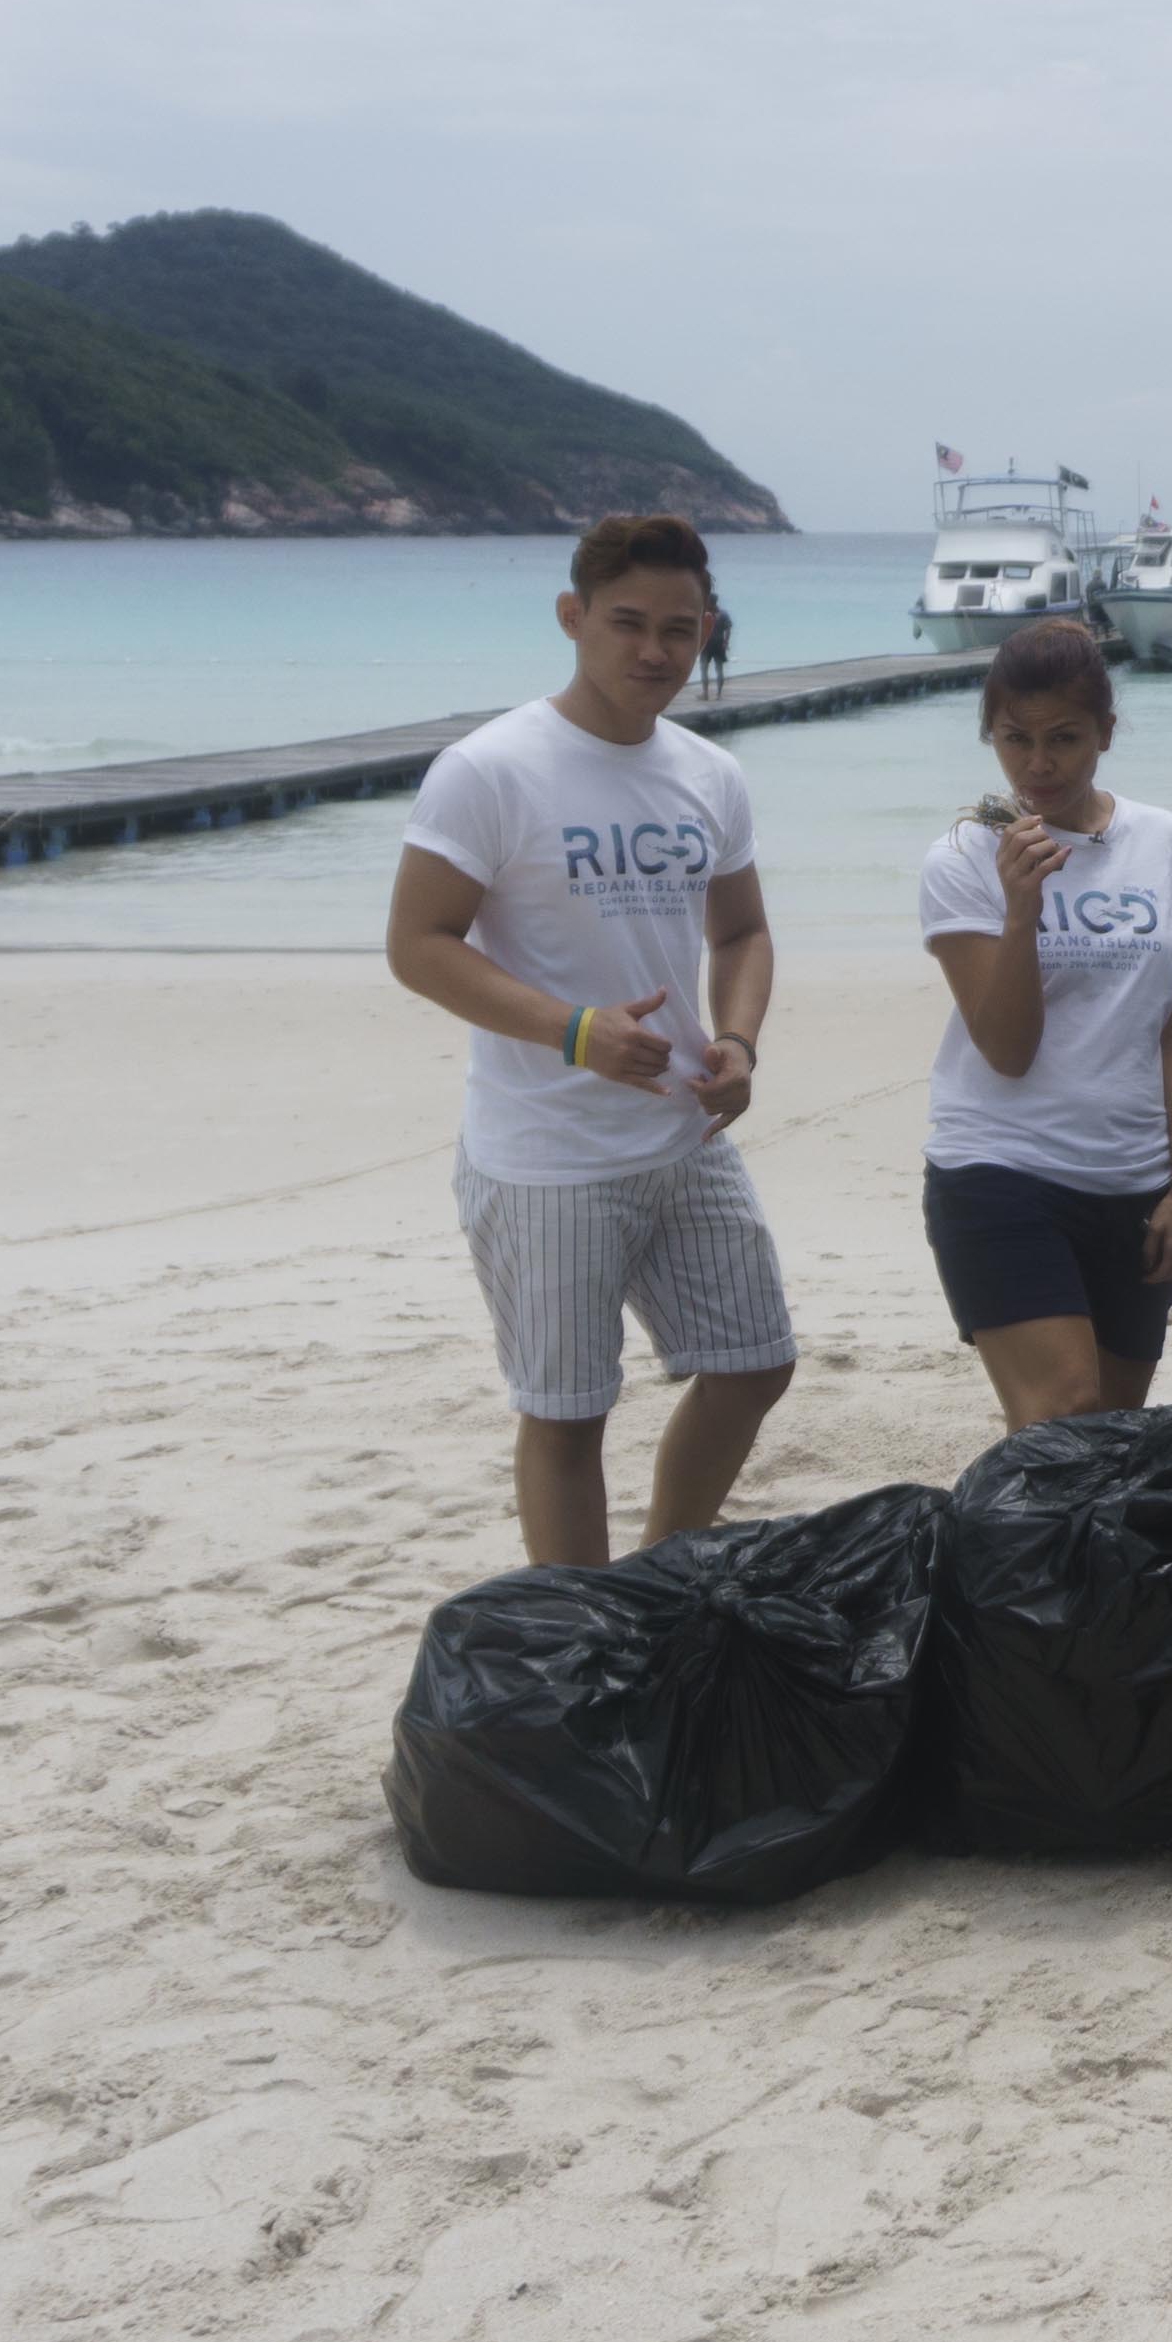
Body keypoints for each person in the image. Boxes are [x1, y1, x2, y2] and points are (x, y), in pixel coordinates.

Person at [382, 512, 793, 1568]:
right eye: (626, 624)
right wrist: (572, 1031)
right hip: (546, 1154)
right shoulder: (491, 770)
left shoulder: (708, 774)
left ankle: (657, 1575)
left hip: (682, 1138)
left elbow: (741, 931)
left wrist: (737, 1041)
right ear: (573, 618)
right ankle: (581, 1637)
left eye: (680, 629)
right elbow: (418, 944)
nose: (653, 651)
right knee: (568, 1413)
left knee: (754, 1363)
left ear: (707, 630)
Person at [910, 621, 1172, 1430]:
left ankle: (1030, 1559)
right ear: (991, 736)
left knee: (1107, 1437)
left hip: (1132, 1182)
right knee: (1061, 1414)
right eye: (1014, 740)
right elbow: (1006, 1050)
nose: (1037, 765)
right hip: (999, 1169)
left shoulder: (1167, 842)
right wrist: (1021, 911)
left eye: (1064, 739)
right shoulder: (966, 857)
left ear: (1105, 734)